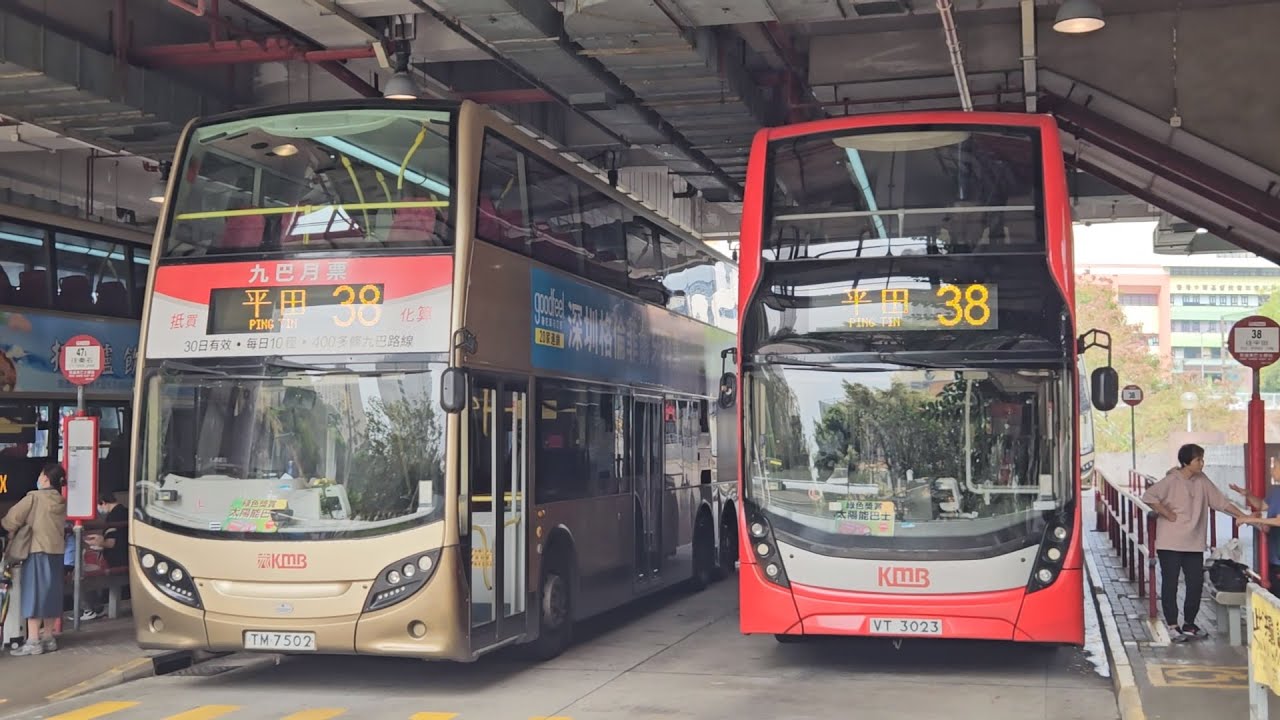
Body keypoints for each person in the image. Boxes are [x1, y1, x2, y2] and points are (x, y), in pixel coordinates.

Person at [1142, 443, 1254, 640]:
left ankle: (1190, 624)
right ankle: (1172, 625)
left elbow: (1221, 502)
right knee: (1171, 583)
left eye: (1202, 459)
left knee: (1195, 583)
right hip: (1170, 542)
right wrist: (1167, 512)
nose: (1202, 463)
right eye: (1198, 460)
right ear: (1186, 462)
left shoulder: (1202, 480)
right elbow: (1149, 496)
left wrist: (1244, 516)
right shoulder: (1171, 480)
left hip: (1194, 542)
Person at [0, 463, 67, 655]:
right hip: (56, 552)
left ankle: (33, 641)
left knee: (34, 596)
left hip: (37, 552)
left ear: (45, 478)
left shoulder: (34, 498)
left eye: (40, 475)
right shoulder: (60, 501)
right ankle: (48, 637)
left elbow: (12, 519)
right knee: (51, 595)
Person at [81, 492, 128, 621]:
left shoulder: (113, 517)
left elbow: (111, 543)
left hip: (116, 560)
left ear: (103, 503)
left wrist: (98, 542)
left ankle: (91, 609)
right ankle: (97, 607)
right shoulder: (125, 511)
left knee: (82, 573)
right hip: (127, 557)